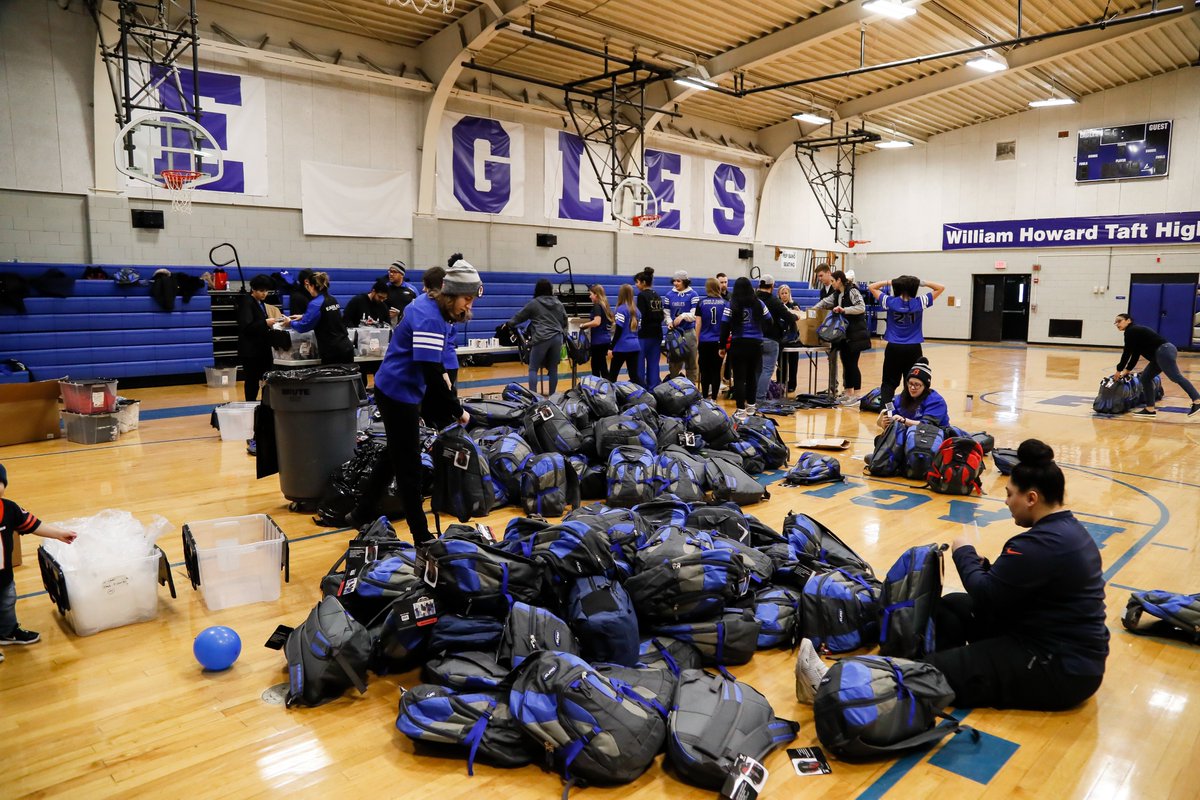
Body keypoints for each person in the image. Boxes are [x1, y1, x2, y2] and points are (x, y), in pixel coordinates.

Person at [798, 440, 1109, 710]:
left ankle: (830, 687)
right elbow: (1015, 593)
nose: (1005, 501)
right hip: (1054, 645)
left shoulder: (1038, 543)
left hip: (1055, 667)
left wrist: (964, 552)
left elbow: (986, 594)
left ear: (1031, 498)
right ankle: (943, 662)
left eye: (1010, 493)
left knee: (933, 671)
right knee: (955, 607)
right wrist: (986, 568)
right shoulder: (1066, 531)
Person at [362, 260, 481, 543]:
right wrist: (457, 410)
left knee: (395, 454)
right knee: (409, 468)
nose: (469, 306)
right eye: (467, 299)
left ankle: (361, 511)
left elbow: (434, 362)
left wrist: (443, 376)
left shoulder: (430, 305)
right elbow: (430, 371)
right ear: (451, 294)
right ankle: (420, 535)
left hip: (400, 387)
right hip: (397, 393)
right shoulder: (429, 317)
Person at [0, 463, 78, 657]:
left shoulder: (10, 509)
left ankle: (7, 632)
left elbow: (33, 524)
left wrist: (58, 533)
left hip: (4, 576)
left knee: (7, 602)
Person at [867, 275, 945, 405]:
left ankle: (888, 413)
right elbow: (941, 288)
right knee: (911, 381)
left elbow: (872, 287)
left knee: (888, 383)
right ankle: (908, 411)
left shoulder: (890, 302)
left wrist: (890, 282)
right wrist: (921, 282)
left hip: (894, 347)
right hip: (913, 348)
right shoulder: (920, 302)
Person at [1113, 313, 1200, 418]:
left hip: (1163, 351)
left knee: (1175, 377)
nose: (1117, 324)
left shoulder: (1131, 331)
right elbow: (1135, 354)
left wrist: (1119, 370)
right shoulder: (1134, 333)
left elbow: (1126, 353)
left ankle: (1197, 400)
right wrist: (1126, 370)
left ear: (1128, 320)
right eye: (1116, 322)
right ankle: (1150, 409)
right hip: (1160, 355)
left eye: (1120, 321)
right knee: (1145, 378)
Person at [811, 269, 870, 405]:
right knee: (846, 363)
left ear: (839, 280)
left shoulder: (853, 291)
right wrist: (812, 310)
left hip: (856, 334)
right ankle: (848, 392)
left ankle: (857, 394)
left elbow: (861, 307)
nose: (831, 284)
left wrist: (845, 310)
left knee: (853, 364)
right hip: (844, 334)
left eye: (833, 281)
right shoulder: (837, 293)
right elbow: (825, 302)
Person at [507, 278, 568, 396]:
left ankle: (534, 397)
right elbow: (564, 321)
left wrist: (508, 324)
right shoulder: (558, 303)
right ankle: (552, 397)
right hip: (557, 338)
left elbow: (519, 317)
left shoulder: (534, 303)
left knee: (533, 368)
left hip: (541, 337)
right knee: (553, 369)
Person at [721, 276, 769, 416]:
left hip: (738, 343)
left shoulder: (732, 303)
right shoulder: (759, 303)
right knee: (752, 376)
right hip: (755, 344)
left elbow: (724, 325)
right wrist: (760, 331)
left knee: (739, 378)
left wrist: (722, 346)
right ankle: (751, 407)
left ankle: (740, 410)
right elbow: (769, 320)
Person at [283, 271, 355, 365]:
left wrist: (290, 322)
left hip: (332, 351)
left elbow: (303, 327)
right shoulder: (332, 299)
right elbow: (325, 316)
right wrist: (304, 316)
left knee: (331, 379)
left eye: (308, 286)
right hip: (347, 347)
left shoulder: (315, 303)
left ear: (312, 286)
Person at [236, 274, 287, 402]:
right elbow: (246, 327)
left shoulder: (260, 303)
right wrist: (265, 322)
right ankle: (251, 405)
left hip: (261, 349)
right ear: (253, 289)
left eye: (266, 291)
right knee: (252, 381)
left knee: (265, 378)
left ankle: (264, 404)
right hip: (250, 351)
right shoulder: (246, 302)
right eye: (261, 291)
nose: (265, 294)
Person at [878, 358, 950, 428]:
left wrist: (904, 420)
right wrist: (885, 423)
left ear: (925, 386)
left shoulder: (936, 401)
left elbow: (927, 426)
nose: (912, 388)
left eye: (917, 385)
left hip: (933, 437)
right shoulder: (898, 398)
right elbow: (889, 411)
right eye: (910, 383)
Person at [755, 275, 792, 400]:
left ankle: (753, 398)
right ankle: (760, 398)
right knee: (767, 370)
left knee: (757, 370)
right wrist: (795, 317)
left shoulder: (753, 299)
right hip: (771, 339)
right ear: (772, 286)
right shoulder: (774, 301)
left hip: (755, 338)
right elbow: (788, 316)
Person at [696, 278, 729, 401]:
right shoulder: (725, 303)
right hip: (719, 342)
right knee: (716, 370)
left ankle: (705, 397)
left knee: (704, 370)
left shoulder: (701, 303)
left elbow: (698, 324)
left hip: (704, 341)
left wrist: (697, 340)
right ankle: (714, 399)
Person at [665, 270, 700, 383]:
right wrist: (669, 322)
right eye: (674, 281)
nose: (675, 283)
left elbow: (695, 314)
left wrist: (683, 316)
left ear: (685, 281)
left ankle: (691, 388)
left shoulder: (693, 294)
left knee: (691, 363)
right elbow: (666, 313)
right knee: (674, 363)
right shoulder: (669, 295)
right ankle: (675, 388)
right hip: (675, 333)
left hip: (689, 332)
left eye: (678, 281)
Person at [634, 268, 665, 389]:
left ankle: (640, 388)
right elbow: (661, 315)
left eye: (637, 282)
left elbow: (641, 315)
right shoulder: (656, 295)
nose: (636, 285)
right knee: (653, 363)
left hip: (644, 334)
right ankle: (653, 388)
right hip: (657, 333)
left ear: (643, 282)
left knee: (640, 363)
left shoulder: (642, 296)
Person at [813, 263, 839, 395]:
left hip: (837, 327)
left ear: (829, 272)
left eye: (821, 275)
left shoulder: (837, 288)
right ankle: (832, 385)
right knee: (831, 357)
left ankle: (835, 387)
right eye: (818, 277)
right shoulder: (823, 290)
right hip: (827, 326)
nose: (820, 279)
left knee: (835, 357)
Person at [577, 284, 613, 379]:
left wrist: (583, 325)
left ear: (596, 295)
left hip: (598, 341)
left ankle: (601, 388)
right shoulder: (605, 306)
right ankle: (605, 387)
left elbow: (597, 322)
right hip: (605, 340)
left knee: (597, 368)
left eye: (591, 294)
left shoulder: (597, 306)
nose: (590, 296)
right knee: (601, 365)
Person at [774, 284, 804, 394]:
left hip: (793, 337)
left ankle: (792, 385)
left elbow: (799, 319)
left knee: (793, 363)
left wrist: (797, 311)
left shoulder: (794, 305)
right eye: (782, 293)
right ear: (779, 295)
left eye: (786, 293)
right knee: (781, 363)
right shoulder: (778, 305)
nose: (784, 295)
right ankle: (780, 383)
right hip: (781, 337)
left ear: (789, 294)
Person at [609, 284, 641, 385]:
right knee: (634, 376)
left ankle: (609, 398)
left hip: (621, 347)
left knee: (612, 375)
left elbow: (619, 329)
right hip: (635, 346)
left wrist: (611, 347)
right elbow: (639, 329)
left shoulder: (621, 309)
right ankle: (640, 397)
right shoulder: (637, 311)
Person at [384, 260, 419, 325]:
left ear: (402, 274)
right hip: (386, 325)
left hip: (406, 325)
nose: (391, 274)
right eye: (390, 271)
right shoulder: (384, 288)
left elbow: (417, 309)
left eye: (394, 272)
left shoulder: (412, 290)